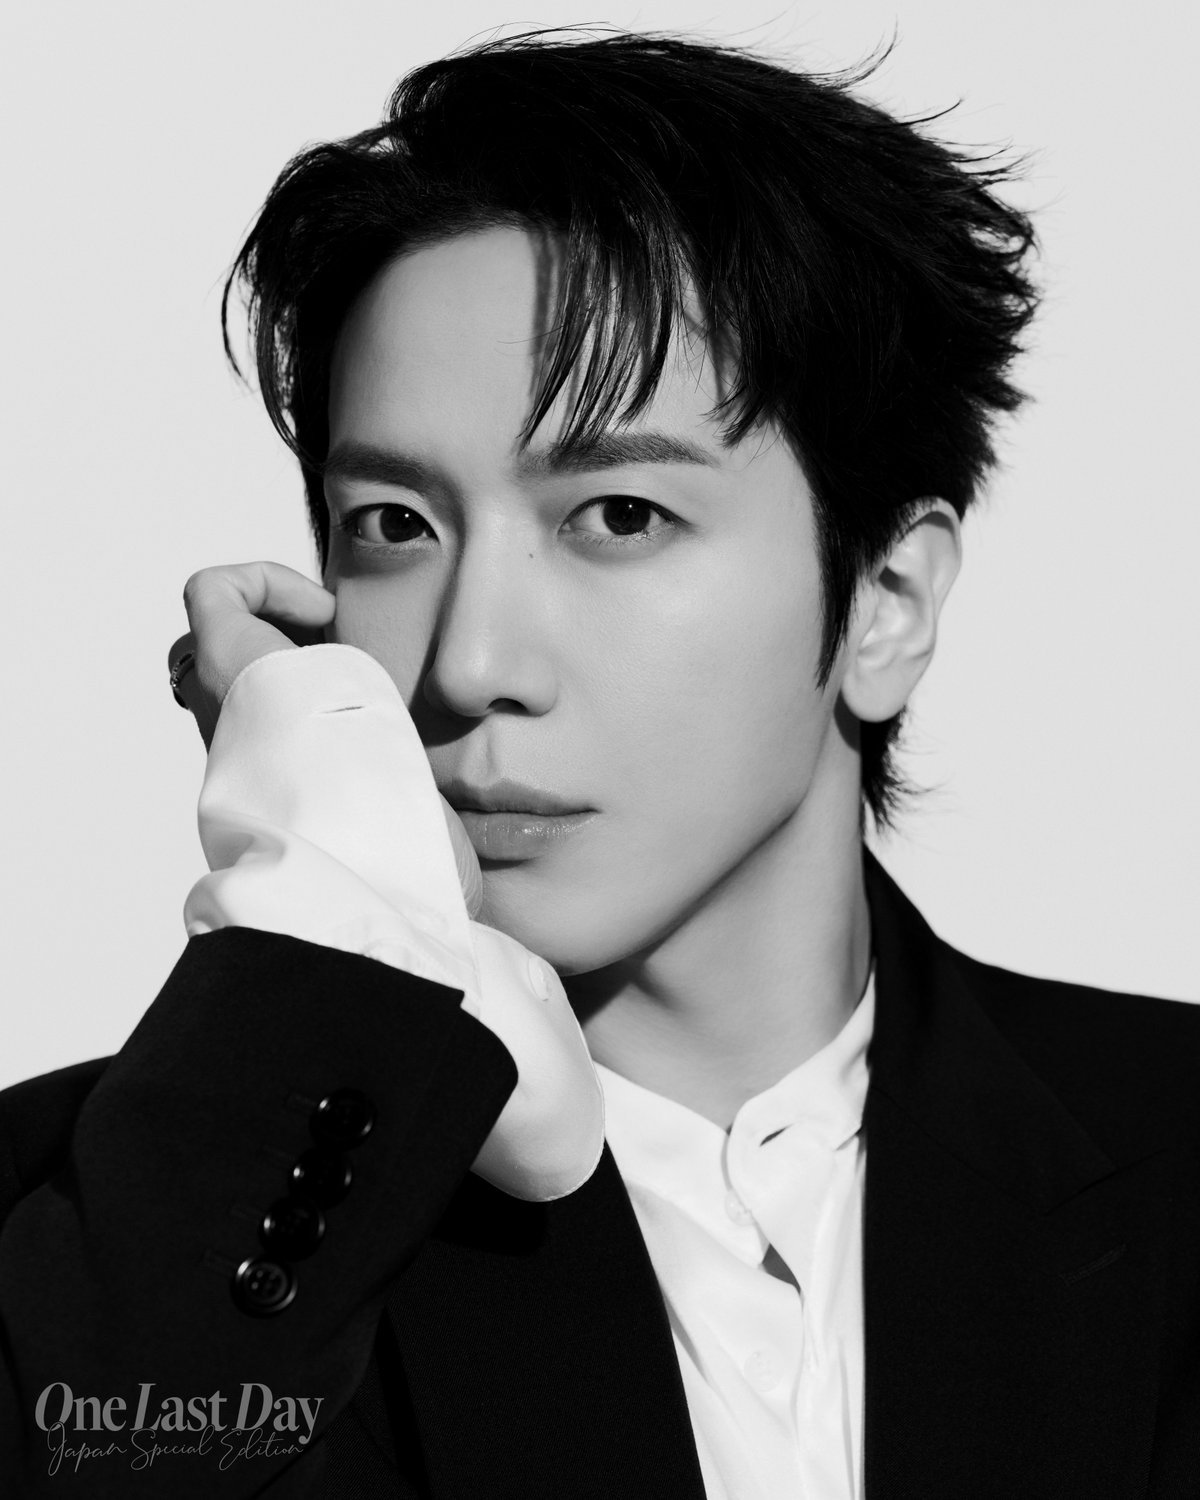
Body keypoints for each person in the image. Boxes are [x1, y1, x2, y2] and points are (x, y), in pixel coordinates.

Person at [2, 27, 1197, 1499]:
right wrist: (326, 943)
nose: (470, 663)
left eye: (619, 516)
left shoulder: (1172, 1152)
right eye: (394, 526)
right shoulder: (116, 1216)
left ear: (887, 601)